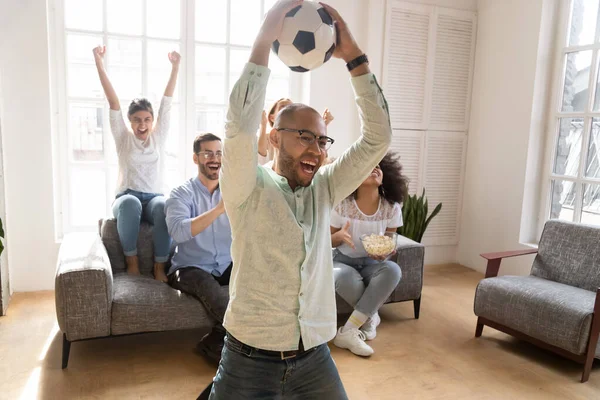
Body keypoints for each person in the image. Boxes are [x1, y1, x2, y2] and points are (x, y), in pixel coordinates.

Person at [211, 0, 392, 398]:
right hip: (247, 358)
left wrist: (354, 59)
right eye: (303, 136)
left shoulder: (324, 187)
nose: (317, 149)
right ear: (275, 137)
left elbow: (378, 138)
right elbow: (238, 126)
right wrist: (265, 37)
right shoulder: (246, 186)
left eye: (322, 139)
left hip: (313, 356)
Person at [93, 45, 180, 282]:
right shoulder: (123, 138)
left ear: (153, 121)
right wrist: (99, 64)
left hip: (153, 198)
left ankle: (159, 267)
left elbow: (167, 102)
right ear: (130, 122)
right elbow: (112, 101)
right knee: (131, 202)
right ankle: (132, 263)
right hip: (126, 197)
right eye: (137, 120)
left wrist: (175, 68)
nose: (142, 125)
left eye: (147, 120)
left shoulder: (158, 137)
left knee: (164, 205)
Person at [330, 151, 408, 357]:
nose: (375, 169)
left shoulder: (391, 208)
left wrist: (387, 251)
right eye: (368, 166)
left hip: (372, 264)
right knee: (344, 277)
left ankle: (347, 331)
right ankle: (370, 317)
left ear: (385, 178)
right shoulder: (342, 205)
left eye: (379, 167)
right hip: (342, 261)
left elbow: (390, 239)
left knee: (393, 270)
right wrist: (337, 237)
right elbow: (326, 242)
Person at [165, 133, 232, 364]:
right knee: (213, 293)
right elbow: (178, 231)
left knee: (260, 285)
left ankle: (215, 341)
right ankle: (236, 354)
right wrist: (218, 210)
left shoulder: (233, 191)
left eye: (219, 153)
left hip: (226, 263)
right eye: (208, 153)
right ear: (196, 159)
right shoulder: (181, 193)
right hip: (189, 267)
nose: (215, 159)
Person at [258, 99, 334, 165]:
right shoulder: (266, 138)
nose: (288, 113)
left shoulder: (300, 136)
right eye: (283, 108)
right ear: (272, 117)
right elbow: (261, 159)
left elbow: (319, 158)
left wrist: (323, 125)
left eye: (291, 109)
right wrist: (263, 125)